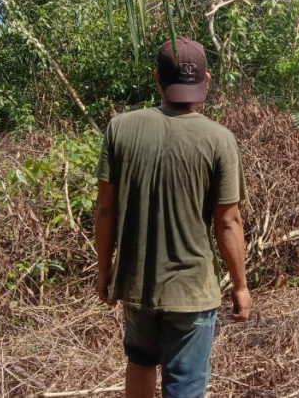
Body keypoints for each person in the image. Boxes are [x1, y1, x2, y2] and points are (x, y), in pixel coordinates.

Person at [94, 37, 251, 398]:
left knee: (140, 362)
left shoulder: (120, 128)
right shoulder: (219, 139)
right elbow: (228, 222)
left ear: (157, 79)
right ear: (207, 81)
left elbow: (105, 209)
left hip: (136, 285)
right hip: (192, 292)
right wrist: (240, 285)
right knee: (184, 386)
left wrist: (105, 270)